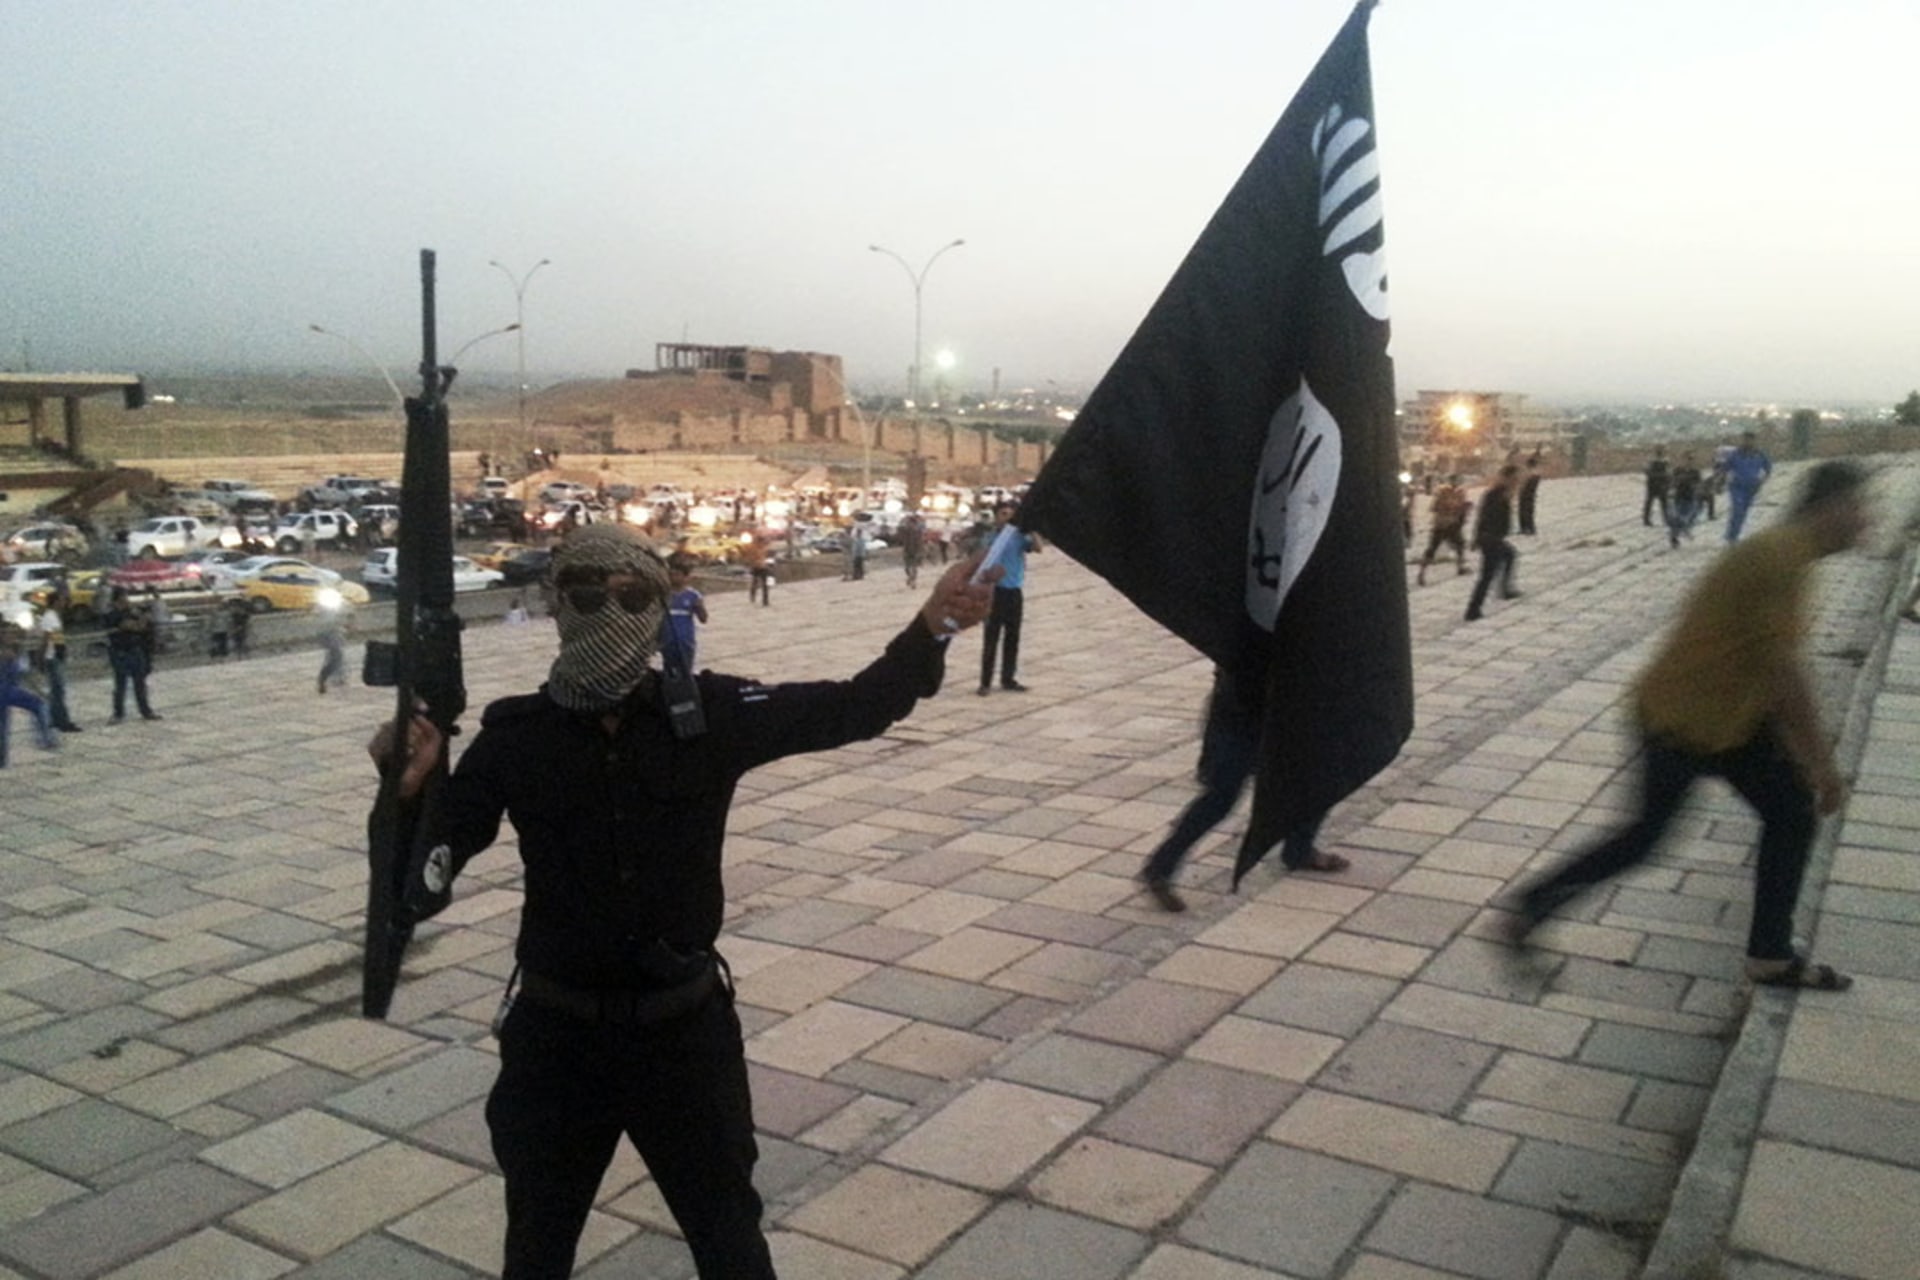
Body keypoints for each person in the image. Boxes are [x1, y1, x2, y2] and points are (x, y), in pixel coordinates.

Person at [368, 524, 996, 1279]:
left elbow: (857, 706)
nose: (610, 609)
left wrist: (934, 624)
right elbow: (423, 883)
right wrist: (406, 796)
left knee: (729, 1239)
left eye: (633, 595)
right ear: (558, 603)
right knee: (537, 1245)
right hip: (558, 1041)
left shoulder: (709, 714)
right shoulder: (516, 738)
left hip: (682, 1036)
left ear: (658, 604)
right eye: (587, 593)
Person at [1504, 461, 1872, 991]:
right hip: (1682, 720)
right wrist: (1822, 765)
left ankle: (1770, 954)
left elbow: (1769, 665)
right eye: (1860, 506)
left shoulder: (1788, 556)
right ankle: (1530, 905)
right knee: (1647, 838)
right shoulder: (1779, 559)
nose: (1866, 520)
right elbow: (1784, 672)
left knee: (1789, 814)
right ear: (1829, 507)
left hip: (1725, 719)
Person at [1137, 666, 1349, 912]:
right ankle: (1160, 867)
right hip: (1245, 712)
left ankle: (1299, 849)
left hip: (1274, 709)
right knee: (1221, 797)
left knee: (1315, 777)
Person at [978, 501, 1040, 695]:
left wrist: (1032, 530)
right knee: (991, 638)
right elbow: (980, 561)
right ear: (996, 516)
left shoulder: (1019, 536)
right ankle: (985, 682)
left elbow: (1038, 548)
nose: (1007, 518)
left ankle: (1008, 679)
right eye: (1003, 514)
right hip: (993, 592)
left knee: (1012, 637)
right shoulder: (989, 538)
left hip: (1014, 592)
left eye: (1010, 514)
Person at [1464, 465, 1521, 622]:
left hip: (1492, 538)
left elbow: (1483, 516)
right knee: (1487, 576)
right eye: (1514, 479)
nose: (1516, 482)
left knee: (1510, 554)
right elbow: (1484, 517)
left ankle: (1505, 590)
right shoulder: (1498, 494)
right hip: (1491, 539)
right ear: (1507, 478)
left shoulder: (1498, 493)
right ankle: (1472, 610)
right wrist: (1477, 538)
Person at [0, 624, 59, 767]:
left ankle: (45, 738)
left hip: (10, 691)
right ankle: (45, 739)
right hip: (4, 691)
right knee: (3, 726)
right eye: (6, 633)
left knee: (39, 705)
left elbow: (25, 674)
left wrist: (39, 691)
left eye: (12, 633)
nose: (11, 636)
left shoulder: (17, 650)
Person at [103, 588, 161, 722]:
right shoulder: (113, 615)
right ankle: (118, 713)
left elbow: (143, 627)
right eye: (124, 597)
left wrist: (143, 613)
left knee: (140, 683)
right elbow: (134, 627)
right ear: (118, 599)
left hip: (135, 650)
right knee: (120, 684)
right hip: (120, 652)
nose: (127, 600)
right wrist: (143, 617)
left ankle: (145, 710)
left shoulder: (130, 612)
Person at [32, 594, 81, 732]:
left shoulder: (54, 616)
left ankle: (54, 718)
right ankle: (63, 721)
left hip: (55, 656)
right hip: (52, 657)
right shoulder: (50, 617)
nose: (63, 603)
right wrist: (40, 657)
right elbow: (46, 639)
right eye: (61, 600)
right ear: (55, 602)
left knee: (55, 690)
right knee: (58, 691)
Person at [1415, 474, 1471, 586]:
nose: (1456, 483)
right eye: (1454, 480)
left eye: (1458, 481)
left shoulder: (1460, 492)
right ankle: (1421, 573)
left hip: (1452, 524)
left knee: (1460, 544)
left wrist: (1464, 508)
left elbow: (1461, 508)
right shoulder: (1442, 491)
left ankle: (1460, 567)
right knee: (1432, 549)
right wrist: (1451, 506)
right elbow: (1434, 507)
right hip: (1442, 524)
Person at [1723, 430, 1774, 543]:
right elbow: (1725, 467)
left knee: (1743, 513)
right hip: (1737, 487)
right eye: (1745, 439)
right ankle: (1732, 537)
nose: (1747, 442)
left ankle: (1733, 534)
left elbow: (1768, 468)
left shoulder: (1760, 454)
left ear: (1754, 441)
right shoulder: (1736, 454)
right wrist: (1720, 479)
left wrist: (1762, 480)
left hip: (1751, 488)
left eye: (1750, 440)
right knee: (1738, 509)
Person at [662, 553, 708, 672]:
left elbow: (703, 619)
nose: (673, 578)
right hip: (667, 641)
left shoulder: (693, 596)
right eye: (670, 575)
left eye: (677, 575)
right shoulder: (663, 595)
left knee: (686, 671)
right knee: (669, 671)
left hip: (686, 641)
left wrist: (699, 608)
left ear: (686, 577)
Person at [1667, 452, 1704, 548]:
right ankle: (1674, 538)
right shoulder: (1677, 470)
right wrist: (1678, 481)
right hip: (1679, 497)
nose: (1688, 461)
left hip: (1690, 497)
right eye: (1687, 459)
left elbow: (1699, 484)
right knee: (1677, 518)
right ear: (1682, 460)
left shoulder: (1695, 472)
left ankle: (1685, 529)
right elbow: (1672, 483)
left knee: (1688, 517)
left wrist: (1695, 486)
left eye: (1690, 459)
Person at [317, 611, 348, 695]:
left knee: (336, 661)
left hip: (333, 642)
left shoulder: (333, 622)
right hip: (332, 643)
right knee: (334, 661)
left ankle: (336, 678)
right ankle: (326, 680)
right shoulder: (328, 623)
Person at [739, 536, 773, 607]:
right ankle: (753, 596)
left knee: (764, 584)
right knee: (755, 583)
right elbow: (749, 557)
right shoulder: (753, 549)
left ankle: (765, 601)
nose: (762, 544)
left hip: (763, 567)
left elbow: (766, 557)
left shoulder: (763, 549)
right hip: (756, 567)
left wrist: (766, 564)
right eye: (761, 542)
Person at [1642, 445, 1671, 527]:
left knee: (1663, 504)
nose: (1659, 452)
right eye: (1658, 450)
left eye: (1660, 450)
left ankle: (1667, 519)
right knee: (1650, 503)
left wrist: (1667, 482)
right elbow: (1646, 471)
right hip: (1653, 485)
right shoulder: (1651, 461)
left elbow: (1668, 474)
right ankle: (1646, 519)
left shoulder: (1666, 461)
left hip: (1661, 485)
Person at [898, 511, 926, 589]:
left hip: (914, 550)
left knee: (911, 567)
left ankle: (912, 580)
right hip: (910, 549)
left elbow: (920, 541)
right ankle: (911, 579)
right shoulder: (908, 530)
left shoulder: (916, 530)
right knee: (909, 567)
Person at [1517, 453, 1543, 536]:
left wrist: (1522, 491)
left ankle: (1528, 528)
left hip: (1527, 495)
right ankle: (1527, 528)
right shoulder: (1534, 473)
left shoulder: (1532, 474)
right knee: (1526, 511)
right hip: (1528, 495)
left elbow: (1526, 485)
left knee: (1525, 511)